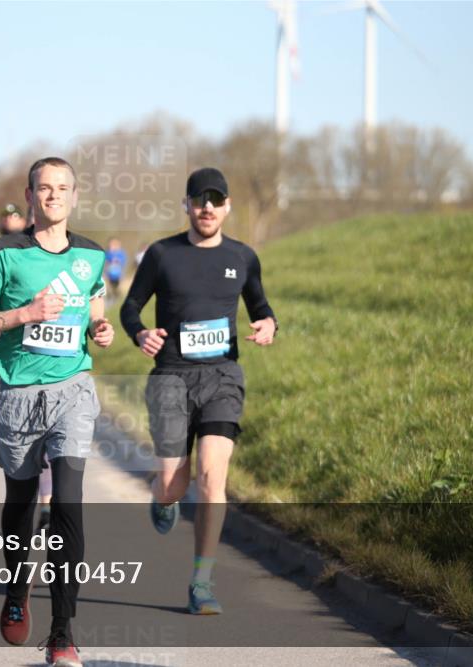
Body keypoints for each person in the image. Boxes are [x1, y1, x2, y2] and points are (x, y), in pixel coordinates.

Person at [0, 157, 113, 667]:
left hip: (73, 389)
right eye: (43, 188)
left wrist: (99, 327)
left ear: (74, 196)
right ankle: (15, 586)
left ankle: (63, 633)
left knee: (69, 504)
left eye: (62, 188)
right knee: (21, 505)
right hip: (19, 395)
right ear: (29, 196)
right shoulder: (4, 254)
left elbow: (95, 301)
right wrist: (23, 315)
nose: (53, 196)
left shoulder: (90, 255)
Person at [119, 167, 277, 615]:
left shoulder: (244, 257)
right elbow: (131, 307)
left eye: (216, 199)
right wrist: (139, 334)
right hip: (170, 376)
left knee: (212, 475)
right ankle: (162, 495)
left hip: (222, 377)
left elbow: (261, 306)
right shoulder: (162, 255)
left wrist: (269, 323)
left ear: (227, 207)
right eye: (199, 199)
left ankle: (201, 583)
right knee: (173, 485)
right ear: (186, 205)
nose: (207, 207)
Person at [103, 237, 127, 302]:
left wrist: (122, 273)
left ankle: (117, 297)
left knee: (117, 287)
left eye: (114, 244)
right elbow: (105, 262)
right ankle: (110, 297)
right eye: (111, 244)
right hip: (109, 274)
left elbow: (124, 263)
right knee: (110, 287)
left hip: (118, 274)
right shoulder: (107, 253)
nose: (112, 246)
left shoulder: (121, 253)